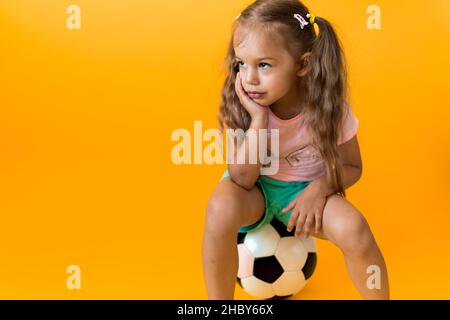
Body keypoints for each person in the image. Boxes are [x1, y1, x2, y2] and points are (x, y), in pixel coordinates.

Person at [202, 0, 390, 300]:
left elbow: (353, 166)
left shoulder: (327, 107)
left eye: (264, 65)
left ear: (302, 64)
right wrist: (259, 118)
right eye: (241, 63)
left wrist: (319, 189)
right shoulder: (243, 103)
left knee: (355, 227)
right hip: (257, 194)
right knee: (220, 206)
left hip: (305, 193)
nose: (249, 78)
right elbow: (242, 178)